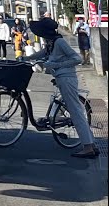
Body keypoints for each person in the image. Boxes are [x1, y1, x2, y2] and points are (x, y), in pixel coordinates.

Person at [30, 18, 98, 158]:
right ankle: (91, 145)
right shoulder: (51, 42)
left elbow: (77, 58)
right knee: (76, 112)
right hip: (62, 78)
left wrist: (54, 65)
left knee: (76, 113)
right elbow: (42, 54)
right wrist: (25, 58)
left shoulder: (59, 42)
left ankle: (88, 147)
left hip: (67, 78)